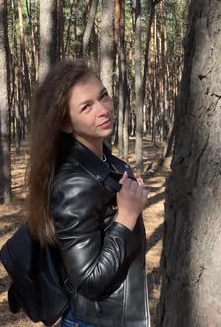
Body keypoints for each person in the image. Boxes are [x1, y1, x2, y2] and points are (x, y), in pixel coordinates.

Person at [25, 60, 150, 327]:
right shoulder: (73, 183)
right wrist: (126, 217)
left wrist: (129, 196)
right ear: (66, 124)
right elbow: (89, 280)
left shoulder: (110, 164)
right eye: (86, 107)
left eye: (103, 95)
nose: (103, 109)